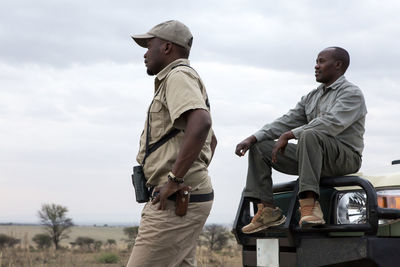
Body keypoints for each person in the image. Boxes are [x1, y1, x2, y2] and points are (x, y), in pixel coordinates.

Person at [235, 47, 367, 234]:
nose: (316, 66)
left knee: (310, 133)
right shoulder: (312, 97)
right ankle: (267, 210)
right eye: (316, 61)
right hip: (312, 156)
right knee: (261, 147)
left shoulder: (351, 93)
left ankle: (309, 206)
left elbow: (331, 123)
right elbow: (286, 121)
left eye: (321, 61)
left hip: (344, 158)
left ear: (337, 65)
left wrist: (289, 135)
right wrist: (253, 137)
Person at [127, 20, 217, 266]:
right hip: (183, 196)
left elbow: (201, 123)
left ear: (167, 47)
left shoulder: (178, 76)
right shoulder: (177, 79)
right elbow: (212, 141)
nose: (145, 53)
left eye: (149, 45)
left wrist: (176, 180)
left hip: (175, 199)